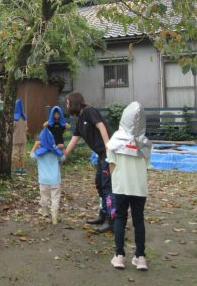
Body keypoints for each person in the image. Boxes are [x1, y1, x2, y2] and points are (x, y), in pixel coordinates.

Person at [106, 102, 151, 271]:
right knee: (138, 220)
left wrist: (115, 181)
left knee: (120, 219)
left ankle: (119, 256)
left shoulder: (115, 140)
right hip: (139, 187)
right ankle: (140, 258)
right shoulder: (145, 143)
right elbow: (146, 167)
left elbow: (111, 165)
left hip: (121, 187)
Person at [64, 91, 113, 233]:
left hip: (107, 154)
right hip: (100, 155)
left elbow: (101, 126)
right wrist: (64, 156)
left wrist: (108, 146)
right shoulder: (80, 120)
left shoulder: (89, 111)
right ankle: (103, 215)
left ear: (74, 102)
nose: (67, 105)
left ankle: (112, 219)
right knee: (99, 184)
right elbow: (74, 139)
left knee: (107, 187)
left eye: (67, 103)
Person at [30, 128, 66, 225]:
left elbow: (31, 156)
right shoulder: (56, 152)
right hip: (55, 179)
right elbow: (63, 157)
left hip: (43, 180)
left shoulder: (39, 153)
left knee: (44, 197)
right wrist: (60, 148)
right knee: (55, 198)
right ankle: (54, 216)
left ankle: (45, 212)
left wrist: (35, 146)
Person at [12, 98, 28, 175]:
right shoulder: (25, 118)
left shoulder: (14, 118)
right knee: (22, 154)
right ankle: (23, 169)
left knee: (15, 154)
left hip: (15, 139)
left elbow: (11, 129)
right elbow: (26, 129)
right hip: (23, 139)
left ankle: (17, 170)